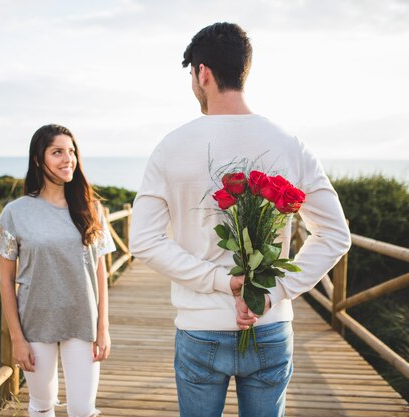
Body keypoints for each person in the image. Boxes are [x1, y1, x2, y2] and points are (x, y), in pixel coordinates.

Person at [129, 22, 351, 417]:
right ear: (243, 70)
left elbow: (144, 240)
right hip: (268, 325)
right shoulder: (289, 143)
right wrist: (271, 292)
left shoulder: (171, 146)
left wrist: (220, 282)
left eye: (193, 77)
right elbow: (334, 235)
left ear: (203, 74)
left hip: (200, 328)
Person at [0, 124, 115, 417]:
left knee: (83, 410)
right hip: (35, 324)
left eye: (71, 151)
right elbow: (6, 282)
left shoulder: (91, 209)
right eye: (57, 152)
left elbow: (100, 273)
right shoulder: (15, 212)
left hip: (82, 322)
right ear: (38, 159)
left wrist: (103, 328)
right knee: (42, 406)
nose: (67, 158)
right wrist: (17, 339)